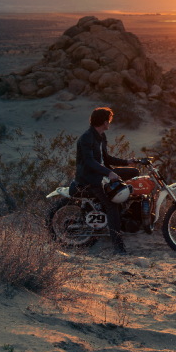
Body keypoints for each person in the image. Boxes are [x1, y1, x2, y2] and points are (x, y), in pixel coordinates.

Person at [75, 107, 138, 255]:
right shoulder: (87, 137)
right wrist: (109, 173)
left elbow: (107, 159)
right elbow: (89, 161)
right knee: (111, 206)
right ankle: (118, 246)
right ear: (104, 121)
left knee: (135, 172)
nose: (110, 122)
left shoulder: (100, 136)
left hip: (102, 173)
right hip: (91, 177)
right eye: (109, 120)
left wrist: (128, 161)